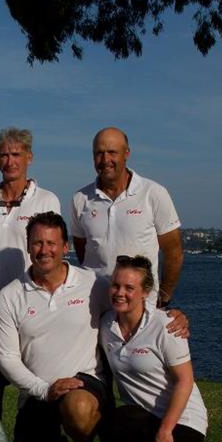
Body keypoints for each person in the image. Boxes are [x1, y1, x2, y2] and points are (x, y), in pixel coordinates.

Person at [99, 255, 222, 442]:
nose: (120, 293)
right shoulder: (107, 325)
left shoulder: (165, 326)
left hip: (183, 419)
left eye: (129, 288)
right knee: (111, 421)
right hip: (145, 417)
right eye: (116, 285)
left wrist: (166, 430)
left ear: (145, 292)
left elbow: (185, 381)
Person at [0, 212, 111, 442]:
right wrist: (44, 390)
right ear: (28, 245)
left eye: (51, 243)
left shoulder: (93, 284)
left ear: (65, 247)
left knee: (78, 406)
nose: (44, 250)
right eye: (37, 243)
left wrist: (170, 315)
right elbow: (7, 358)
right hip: (38, 393)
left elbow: (130, 308)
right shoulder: (10, 296)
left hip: (84, 386)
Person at [0, 127, 61, 415]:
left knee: (36, 379)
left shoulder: (47, 200)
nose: (10, 161)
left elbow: (49, 255)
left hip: (33, 304)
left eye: (16, 154)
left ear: (29, 157)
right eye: (4, 155)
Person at [70, 127, 184, 308]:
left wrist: (163, 298)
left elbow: (174, 253)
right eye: (99, 153)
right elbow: (83, 250)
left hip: (140, 309)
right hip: (95, 307)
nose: (105, 160)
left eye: (112, 152)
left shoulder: (153, 193)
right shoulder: (80, 199)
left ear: (126, 154)